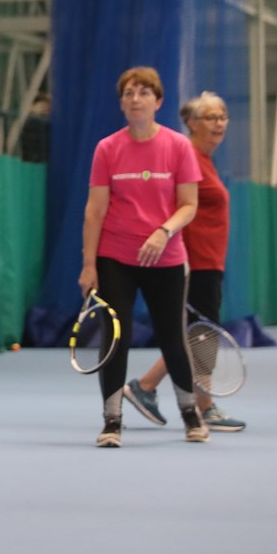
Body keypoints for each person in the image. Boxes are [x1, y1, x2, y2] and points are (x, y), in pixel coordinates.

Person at [78, 66, 207, 448]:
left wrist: (163, 231)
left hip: (166, 259)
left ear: (158, 102)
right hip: (116, 257)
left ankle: (190, 413)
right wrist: (89, 264)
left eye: (144, 93)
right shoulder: (107, 148)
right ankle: (112, 421)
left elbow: (189, 205)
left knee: (172, 337)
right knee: (116, 337)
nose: (136, 99)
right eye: (129, 93)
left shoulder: (178, 147)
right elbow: (94, 211)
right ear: (121, 103)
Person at [124, 92, 245, 432]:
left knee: (197, 334)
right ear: (191, 123)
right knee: (201, 335)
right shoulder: (187, 155)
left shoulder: (204, 159)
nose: (219, 123)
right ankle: (197, 404)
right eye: (210, 117)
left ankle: (146, 388)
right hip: (194, 261)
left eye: (222, 116)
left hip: (208, 260)